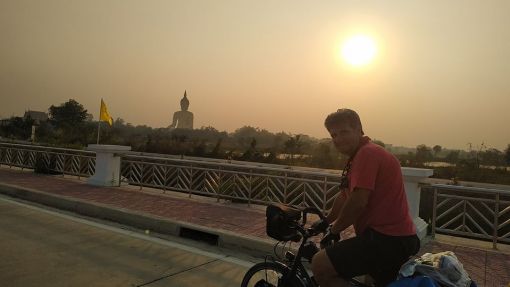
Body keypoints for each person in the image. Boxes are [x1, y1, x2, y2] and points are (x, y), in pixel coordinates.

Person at [311, 109, 420, 287]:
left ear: (359, 129)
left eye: (344, 132)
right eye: (334, 135)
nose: (338, 139)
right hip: (395, 238)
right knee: (371, 281)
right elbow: (345, 196)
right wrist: (326, 220)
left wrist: (334, 231)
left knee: (320, 264)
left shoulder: (367, 154)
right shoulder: (361, 155)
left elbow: (358, 202)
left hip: (387, 238)